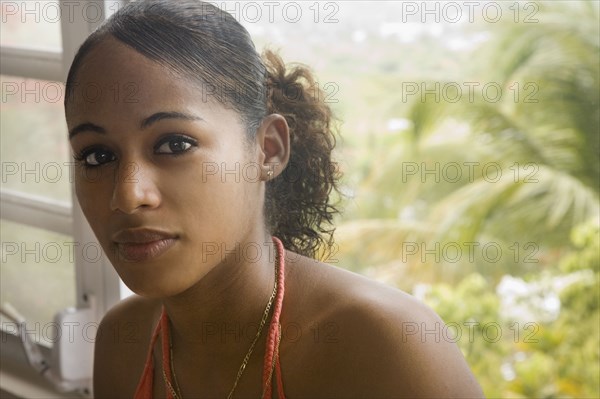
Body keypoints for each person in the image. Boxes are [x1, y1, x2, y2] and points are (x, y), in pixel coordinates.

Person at [64, 0, 484, 397]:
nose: (128, 195)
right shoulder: (125, 343)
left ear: (267, 150)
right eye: (97, 155)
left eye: (174, 144)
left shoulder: (384, 345)